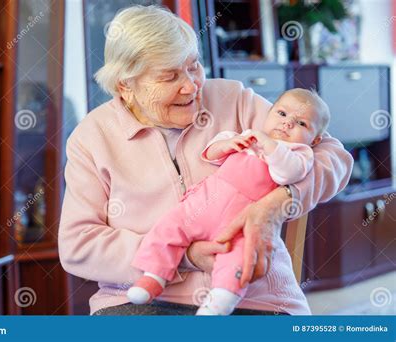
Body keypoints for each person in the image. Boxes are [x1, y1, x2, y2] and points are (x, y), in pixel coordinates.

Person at [58, 5, 353, 315]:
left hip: (256, 294)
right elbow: (79, 246)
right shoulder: (91, 137)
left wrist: (278, 203)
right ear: (125, 85)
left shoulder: (233, 99)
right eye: (170, 76)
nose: (192, 85)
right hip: (140, 299)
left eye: (194, 65)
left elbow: (335, 157)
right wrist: (183, 255)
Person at [127, 88, 332, 315]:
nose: (287, 124)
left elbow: (288, 174)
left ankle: (221, 300)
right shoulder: (245, 135)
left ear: (315, 139)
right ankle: (153, 276)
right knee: (169, 226)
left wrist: (269, 144)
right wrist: (228, 144)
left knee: (241, 255)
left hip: (241, 219)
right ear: (269, 113)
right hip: (204, 203)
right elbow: (210, 153)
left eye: (301, 124)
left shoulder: (298, 152)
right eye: (282, 114)